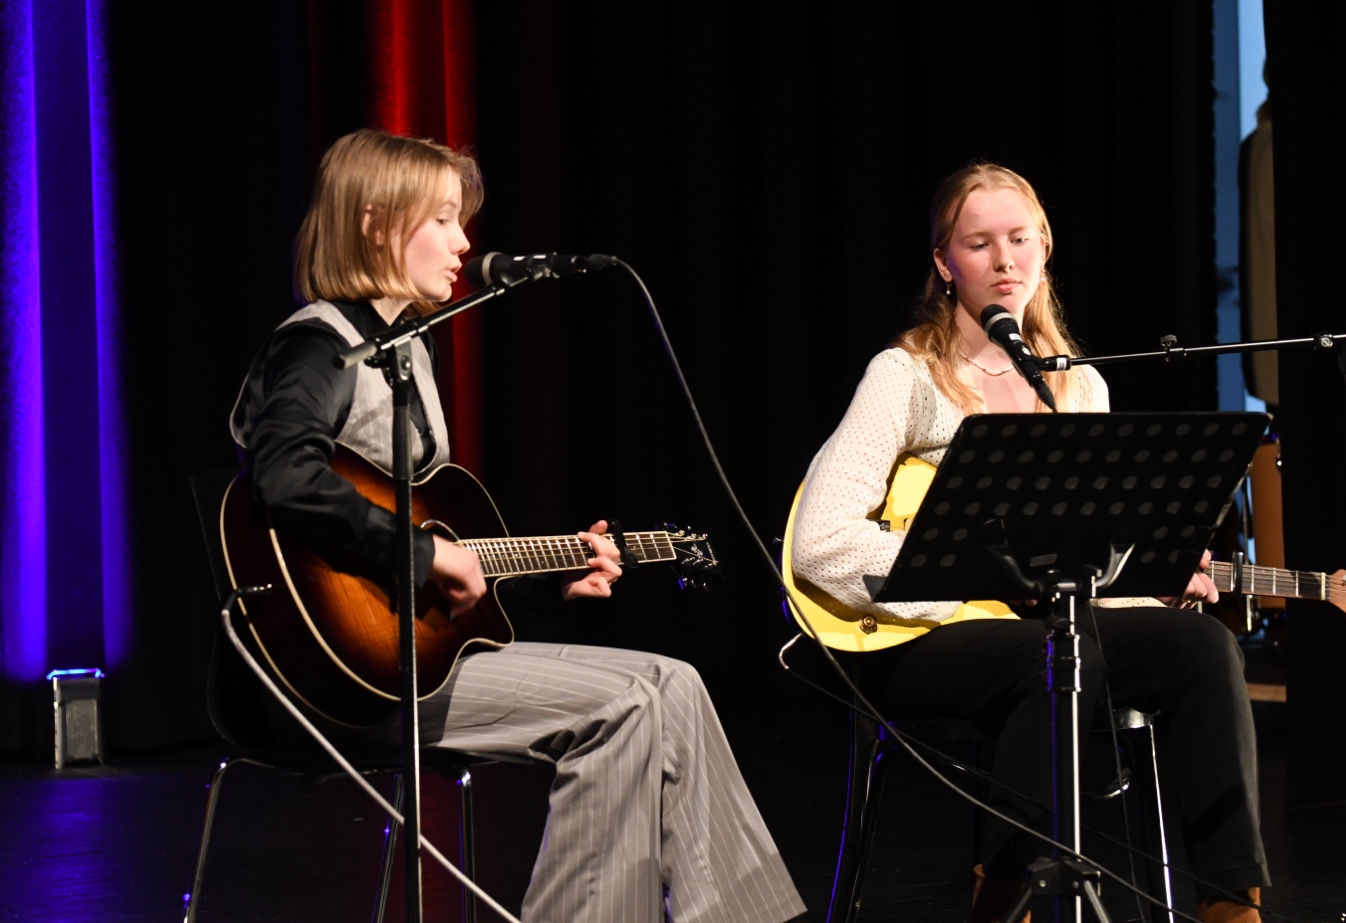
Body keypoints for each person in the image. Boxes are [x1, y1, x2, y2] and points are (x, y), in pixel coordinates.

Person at [229, 128, 805, 923]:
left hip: (416, 660)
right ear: (373, 222)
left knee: (674, 681)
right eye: (441, 220)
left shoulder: (406, 352)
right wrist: (419, 550)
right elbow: (284, 474)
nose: (464, 241)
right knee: (628, 703)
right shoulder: (322, 347)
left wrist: (543, 580)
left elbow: (442, 589)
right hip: (349, 686)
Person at [790, 162, 1267, 923]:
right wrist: (966, 562)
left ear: (1045, 246)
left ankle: (1230, 905)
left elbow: (1079, 566)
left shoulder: (1080, 388)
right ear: (946, 264)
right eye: (979, 244)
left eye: (1019, 238)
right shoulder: (907, 375)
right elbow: (820, 544)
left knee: (1198, 646)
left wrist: (1149, 576)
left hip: (1038, 627)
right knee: (1058, 655)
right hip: (909, 635)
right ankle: (1002, 897)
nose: (1004, 259)